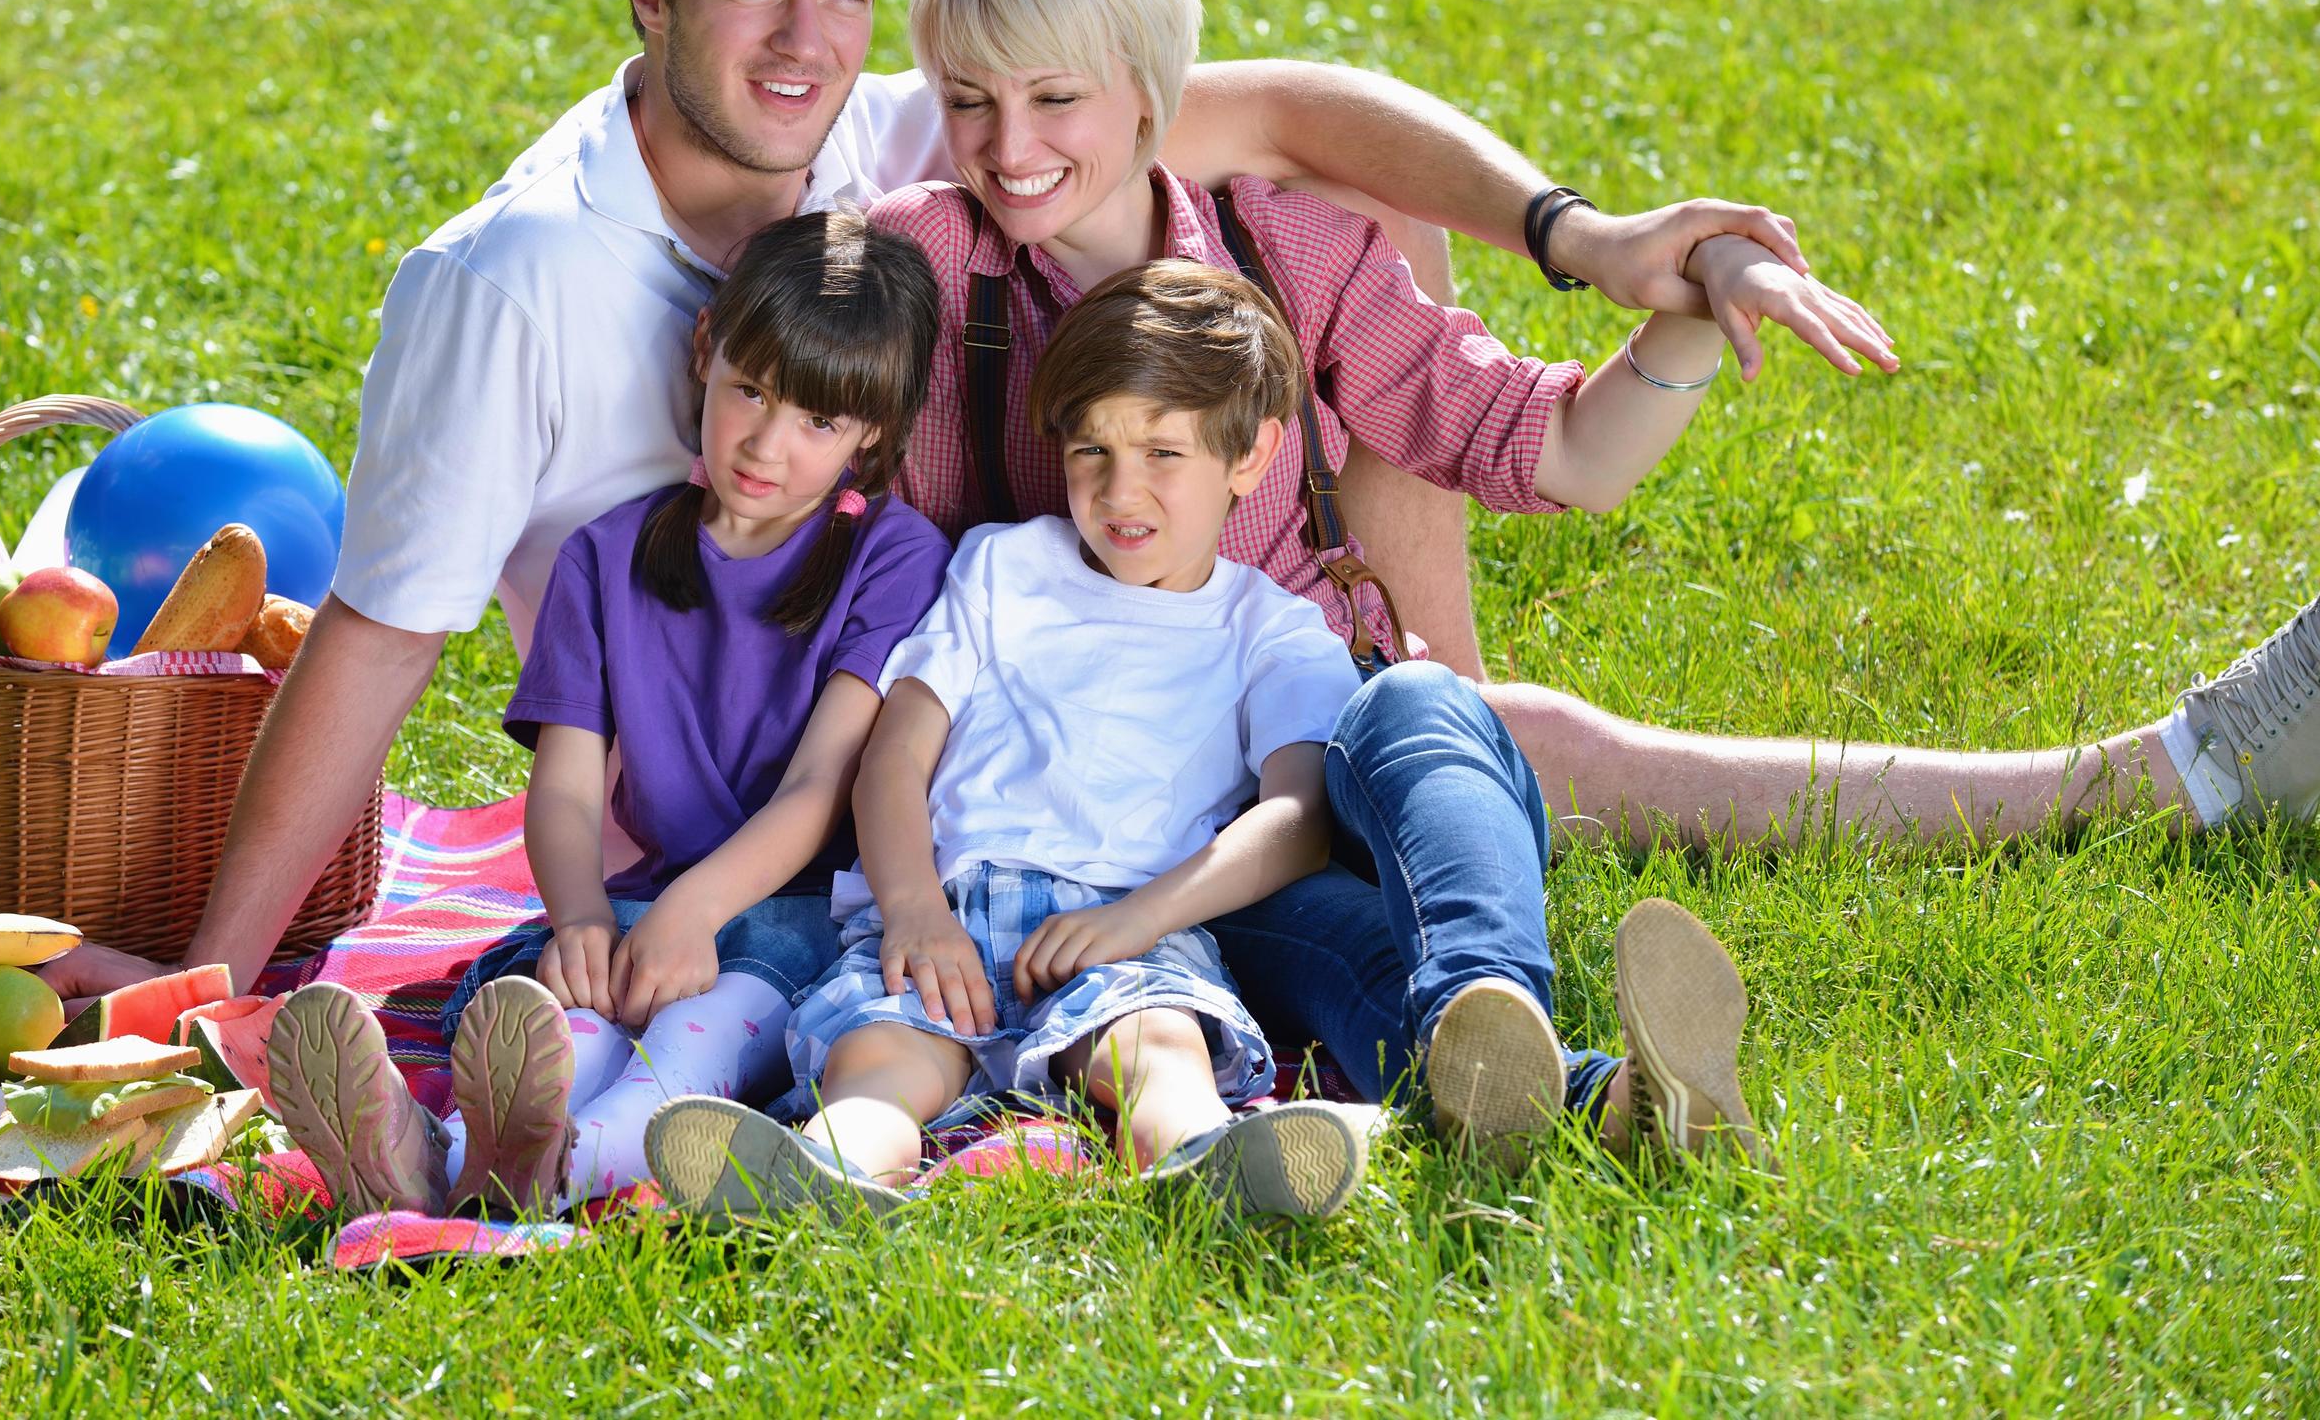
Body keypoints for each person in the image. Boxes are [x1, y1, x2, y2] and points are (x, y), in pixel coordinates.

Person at [40, 0, 1844, 1009]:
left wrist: (1601, 247)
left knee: (1417, 736)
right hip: (881, 788)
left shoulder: (936, 138)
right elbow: (379, 629)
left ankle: (1509, 974)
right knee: (1333, 878)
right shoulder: (551, 275)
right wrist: (210, 970)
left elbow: (1303, 118)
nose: (804, 47)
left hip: (1168, 689)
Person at [862, 0, 2320, 1103]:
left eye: (1050, 101)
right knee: (1422, 826)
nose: (1006, 147)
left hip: (1283, 746)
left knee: (1438, 713)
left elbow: (1554, 450)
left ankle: (2154, 774)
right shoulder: (920, 267)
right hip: (1079, 794)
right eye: (968, 102)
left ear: (1148, 96)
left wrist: (1692, 312)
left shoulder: (1285, 250)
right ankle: (1566, 1079)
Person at [643, 264, 1767, 1220]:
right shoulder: (1003, 565)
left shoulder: (1270, 627)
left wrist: (1143, 913)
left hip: (1137, 915)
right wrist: (913, 908)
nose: (1119, 493)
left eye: (1164, 456)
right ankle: (824, 1176)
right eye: (1090, 452)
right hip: (958, 904)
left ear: (1252, 454)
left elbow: (1295, 811)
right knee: (880, 1064)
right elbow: (895, 755)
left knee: (1159, 1057)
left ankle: (1216, 1165)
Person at [265, 209, 953, 1218]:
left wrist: (699, 909)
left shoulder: (892, 556)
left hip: (798, 918)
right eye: (750, 390)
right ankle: (433, 1146)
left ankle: (529, 1172)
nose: (766, 443)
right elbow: (570, 784)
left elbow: (821, 784)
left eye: (817, 422)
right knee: (565, 1027)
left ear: (872, 435)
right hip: (643, 898)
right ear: (705, 350)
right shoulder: (608, 553)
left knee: (686, 1042)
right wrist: (583, 912)